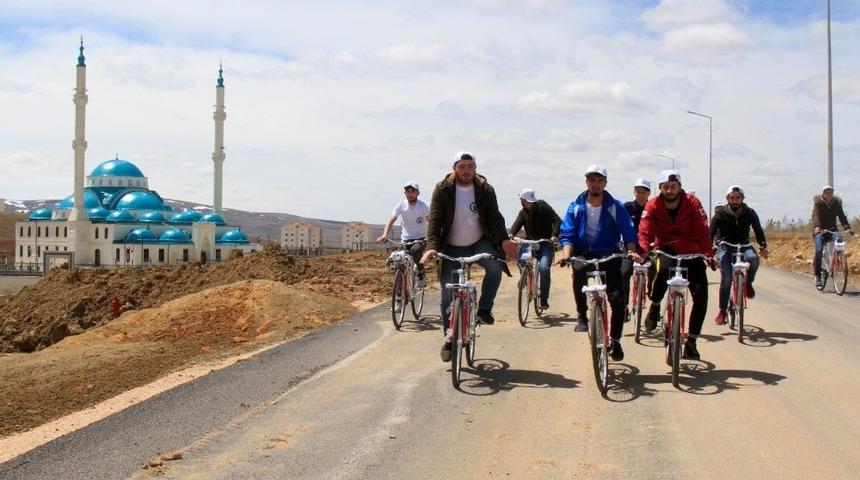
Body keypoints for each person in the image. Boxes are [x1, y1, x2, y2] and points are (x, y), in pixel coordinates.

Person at [420, 152, 515, 362]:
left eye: (470, 166)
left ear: (475, 168)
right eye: (462, 166)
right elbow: (434, 220)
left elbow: (495, 217)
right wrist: (431, 247)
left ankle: (484, 309)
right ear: (454, 167)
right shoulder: (443, 188)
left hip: (479, 242)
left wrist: (503, 241)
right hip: (451, 247)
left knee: (494, 267)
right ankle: (449, 339)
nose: (466, 171)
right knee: (447, 296)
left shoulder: (484, 189)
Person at [556, 165, 640, 361]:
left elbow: (628, 231)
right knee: (578, 270)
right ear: (586, 182)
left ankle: (616, 341)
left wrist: (631, 251)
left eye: (599, 180)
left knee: (618, 300)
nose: (595, 184)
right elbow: (567, 233)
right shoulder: (575, 207)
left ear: (605, 183)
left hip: (609, 254)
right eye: (592, 180)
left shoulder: (615, 206)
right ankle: (582, 316)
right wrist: (565, 254)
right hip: (584, 252)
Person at [638, 170, 715, 360]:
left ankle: (691, 342)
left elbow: (702, 230)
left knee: (701, 295)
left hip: (691, 250)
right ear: (660, 189)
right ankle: (655, 306)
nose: (669, 190)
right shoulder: (653, 204)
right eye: (665, 187)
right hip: (666, 249)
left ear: (680, 187)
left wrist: (708, 254)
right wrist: (644, 250)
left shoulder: (692, 203)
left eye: (673, 187)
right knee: (661, 272)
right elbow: (644, 230)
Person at [709, 185, 768, 325]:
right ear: (727, 199)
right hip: (725, 246)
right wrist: (709, 250)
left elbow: (758, 230)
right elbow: (710, 233)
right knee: (727, 278)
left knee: (753, 260)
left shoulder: (750, 212)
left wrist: (763, 246)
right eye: (732, 198)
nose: (735, 200)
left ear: (742, 199)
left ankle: (748, 282)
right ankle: (722, 311)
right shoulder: (720, 214)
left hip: (744, 245)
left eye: (737, 198)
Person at [509, 188, 561, 309]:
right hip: (530, 241)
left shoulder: (543, 207)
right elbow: (517, 224)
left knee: (543, 268)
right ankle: (525, 278)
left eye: (522, 200)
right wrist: (511, 235)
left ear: (524, 200)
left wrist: (554, 235)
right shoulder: (523, 212)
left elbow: (556, 220)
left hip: (545, 242)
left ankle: (543, 299)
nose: (521, 202)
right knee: (521, 260)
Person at [377, 181, 430, 297]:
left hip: (420, 239)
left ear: (418, 193)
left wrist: (432, 235)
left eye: (413, 191)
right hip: (406, 240)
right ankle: (399, 294)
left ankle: (420, 272)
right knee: (398, 260)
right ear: (405, 193)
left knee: (416, 251)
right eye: (408, 191)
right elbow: (391, 219)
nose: (410, 194)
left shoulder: (423, 206)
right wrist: (384, 234)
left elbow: (430, 220)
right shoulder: (401, 205)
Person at [811, 185, 855, 287]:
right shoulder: (818, 203)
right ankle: (817, 276)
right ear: (823, 194)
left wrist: (847, 228)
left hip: (832, 231)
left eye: (831, 192)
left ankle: (838, 262)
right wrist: (817, 227)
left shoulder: (836, 203)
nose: (829, 194)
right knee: (818, 250)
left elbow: (842, 216)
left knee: (839, 240)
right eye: (827, 192)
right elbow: (815, 215)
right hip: (820, 231)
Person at [620, 178, 652, 316]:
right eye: (638, 191)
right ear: (634, 192)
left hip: (648, 247)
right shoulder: (627, 207)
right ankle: (625, 305)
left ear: (648, 193)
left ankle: (652, 294)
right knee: (624, 272)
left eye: (643, 191)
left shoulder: (652, 207)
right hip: (629, 246)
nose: (640, 194)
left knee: (657, 270)